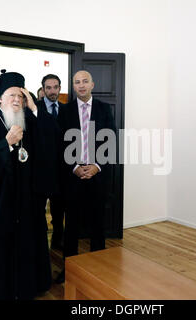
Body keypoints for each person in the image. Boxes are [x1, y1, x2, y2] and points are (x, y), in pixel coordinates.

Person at [0, 70, 60, 300]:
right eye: (11, 95)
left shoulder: (29, 121)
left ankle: (27, 289)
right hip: (0, 204)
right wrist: (6, 144)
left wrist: (35, 107)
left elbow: (53, 138)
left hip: (28, 201)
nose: (17, 100)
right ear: (0, 98)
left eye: (21, 95)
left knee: (28, 247)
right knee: (3, 254)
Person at [56, 70, 116, 283]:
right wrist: (74, 167)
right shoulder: (65, 111)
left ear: (92, 84)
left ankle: (98, 268)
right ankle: (69, 269)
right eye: (77, 82)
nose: (81, 85)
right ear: (73, 86)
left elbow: (110, 141)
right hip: (73, 176)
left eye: (84, 81)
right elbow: (60, 144)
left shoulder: (104, 109)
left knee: (97, 225)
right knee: (71, 226)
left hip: (97, 175)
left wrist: (97, 166)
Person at [36, 74, 65, 250]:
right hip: (40, 167)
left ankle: (58, 238)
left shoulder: (66, 109)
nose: (52, 91)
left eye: (55, 87)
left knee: (59, 207)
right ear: (43, 89)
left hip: (61, 167)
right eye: (48, 87)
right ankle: (39, 240)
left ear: (60, 88)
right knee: (39, 207)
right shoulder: (35, 109)